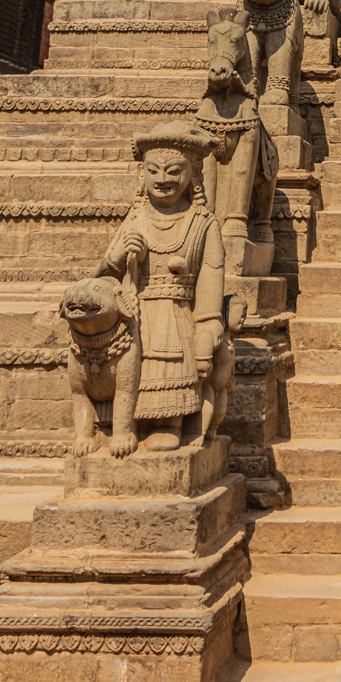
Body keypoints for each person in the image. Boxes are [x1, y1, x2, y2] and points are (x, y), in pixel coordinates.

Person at [97, 122, 226, 455]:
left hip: (177, 314)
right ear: (142, 174)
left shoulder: (203, 224)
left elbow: (211, 286)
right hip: (136, 312)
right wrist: (119, 255)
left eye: (173, 171)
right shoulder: (136, 217)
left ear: (193, 173)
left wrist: (207, 329)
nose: (162, 179)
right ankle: (125, 421)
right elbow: (102, 277)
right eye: (153, 171)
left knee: (171, 355)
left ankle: (169, 421)